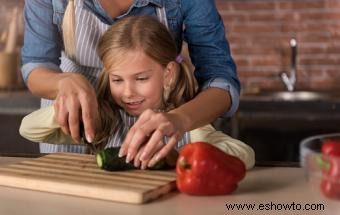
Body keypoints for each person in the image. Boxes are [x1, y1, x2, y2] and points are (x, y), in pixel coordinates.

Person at [21, 0, 240, 166]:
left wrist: (180, 119)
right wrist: (63, 84)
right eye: (117, 79)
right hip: (73, 104)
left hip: (165, 111)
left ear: (168, 73)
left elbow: (220, 78)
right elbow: (36, 65)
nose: (127, 92)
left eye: (141, 78)